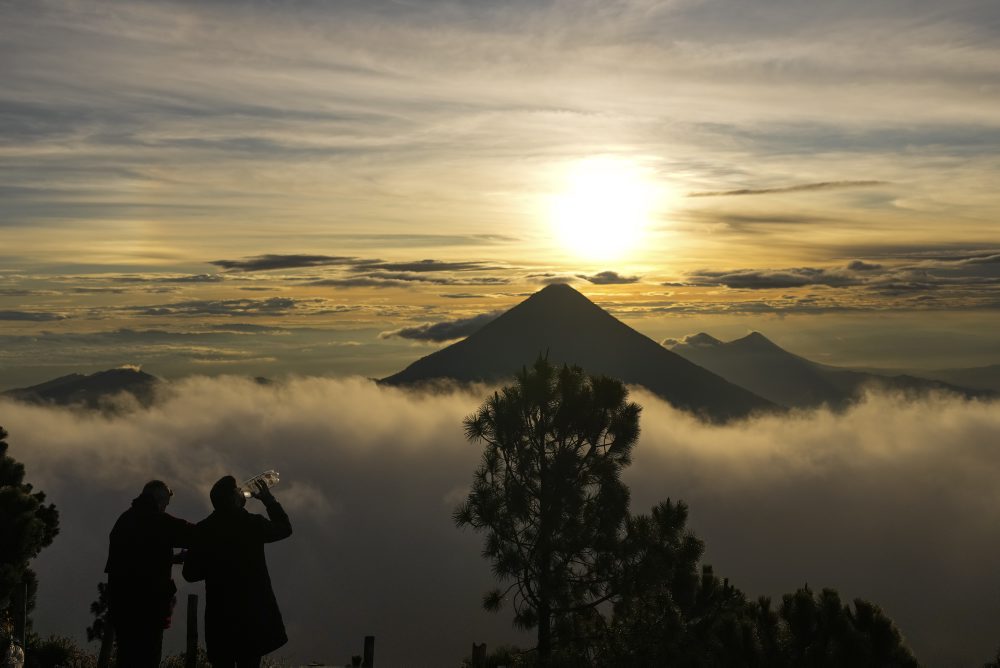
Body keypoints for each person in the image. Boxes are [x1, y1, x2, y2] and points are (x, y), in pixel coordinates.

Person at [183, 475, 292, 668]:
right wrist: (268, 499)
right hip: (252, 617)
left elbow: (190, 574)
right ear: (233, 499)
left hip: (220, 619)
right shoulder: (252, 524)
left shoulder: (203, 530)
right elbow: (284, 528)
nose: (242, 492)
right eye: (237, 490)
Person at [105, 479, 195, 668]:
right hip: (149, 609)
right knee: (148, 660)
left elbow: (135, 558)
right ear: (158, 500)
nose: (165, 509)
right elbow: (194, 535)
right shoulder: (158, 521)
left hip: (122, 607)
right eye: (165, 504)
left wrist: (170, 559)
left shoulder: (124, 520)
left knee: (126, 659)